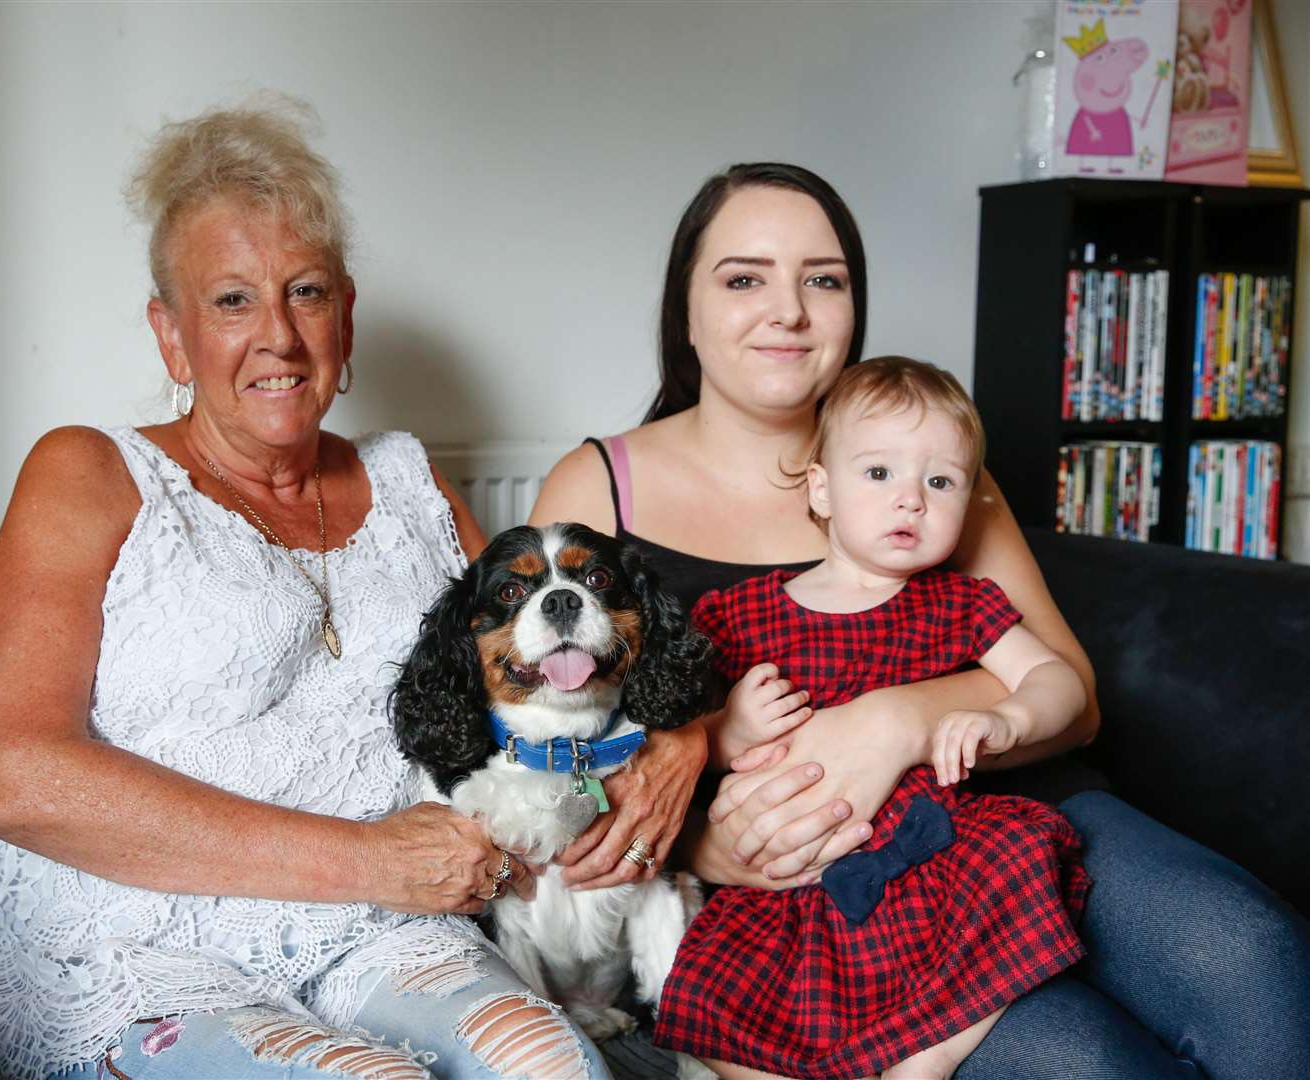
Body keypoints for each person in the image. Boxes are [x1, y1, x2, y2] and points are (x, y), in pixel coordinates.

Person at [529, 162, 1310, 1079]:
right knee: (1082, 1060)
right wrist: (702, 839)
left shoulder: (925, 468)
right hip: (810, 893)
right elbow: (543, 749)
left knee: (1253, 954)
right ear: (686, 310)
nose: (788, 310)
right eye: (744, 278)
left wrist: (894, 724)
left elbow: (1072, 693)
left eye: (824, 279)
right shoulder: (598, 490)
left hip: (1015, 818)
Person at [0, 101, 611, 1080]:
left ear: (347, 317)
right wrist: (367, 860)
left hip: (372, 930)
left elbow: (553, 690)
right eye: (232, 302)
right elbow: (15, 776)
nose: (279, 337)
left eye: (306, 292)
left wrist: (669, 754)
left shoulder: (411, 484)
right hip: (129, 932)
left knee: (551, 1065)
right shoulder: (88, 474)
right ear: (172, 337)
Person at [657, 356, 1091, 1080]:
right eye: (880, 474)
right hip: (793, 883)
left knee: (1022, 852)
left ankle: (926, 1060)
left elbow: (1060, 682)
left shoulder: (959, 604)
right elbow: (673, 748)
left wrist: (1010, 719)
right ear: (821, 490)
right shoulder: (738, 616)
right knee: (715, 995)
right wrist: (727, 730)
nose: (911, 501)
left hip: (929, 860)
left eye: (941, 481)